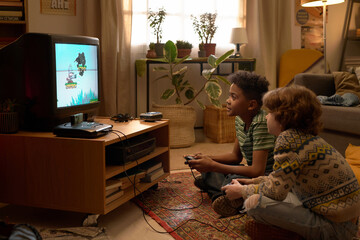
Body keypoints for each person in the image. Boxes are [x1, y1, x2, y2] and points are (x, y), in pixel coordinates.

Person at [222, 85, 360, 239]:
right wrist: (251, 183)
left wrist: (242, 191)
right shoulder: (303, 137)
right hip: (346, 223)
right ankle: (288, 231)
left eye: (270, 113)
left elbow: (276, 191)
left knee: (253, 204)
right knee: (262, 194)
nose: (266, 117)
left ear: (284, 117)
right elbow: (281, 180)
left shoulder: (287, 139)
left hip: (336, 229)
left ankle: (293, 235)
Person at [187, 71, 276, 217]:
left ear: (251, 104)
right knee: (218, 170)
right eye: (229, 95)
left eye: (233, 97)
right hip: (253, 172)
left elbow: (257, 171)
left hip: (266, 176)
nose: (228, 100)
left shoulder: (260, 124)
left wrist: (212, 166)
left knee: (225, 174)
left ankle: (222, 197)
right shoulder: (240, 119)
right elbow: (235, 157)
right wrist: (207, 158)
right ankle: (224, 188)